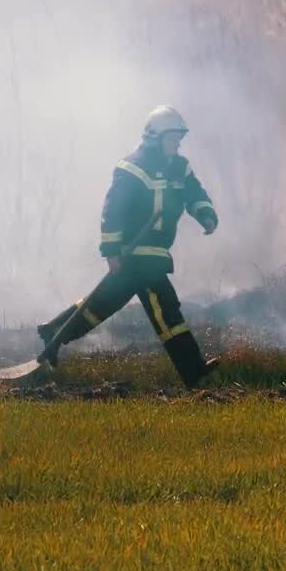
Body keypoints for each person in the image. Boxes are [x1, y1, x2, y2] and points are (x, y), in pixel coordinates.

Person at [35, 105, 219, 388]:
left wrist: (206, 214)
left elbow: (194, 192)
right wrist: (110, 251)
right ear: (155, 137)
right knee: (166, 311)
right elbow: (113, 212)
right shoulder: (132, 167)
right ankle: (193, 372)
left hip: (154, 253)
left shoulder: (180, 167)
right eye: (173, 137)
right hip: (135, 255)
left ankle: (54, 330)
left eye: (179, 138)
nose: (177, 143)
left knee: (102, 303)